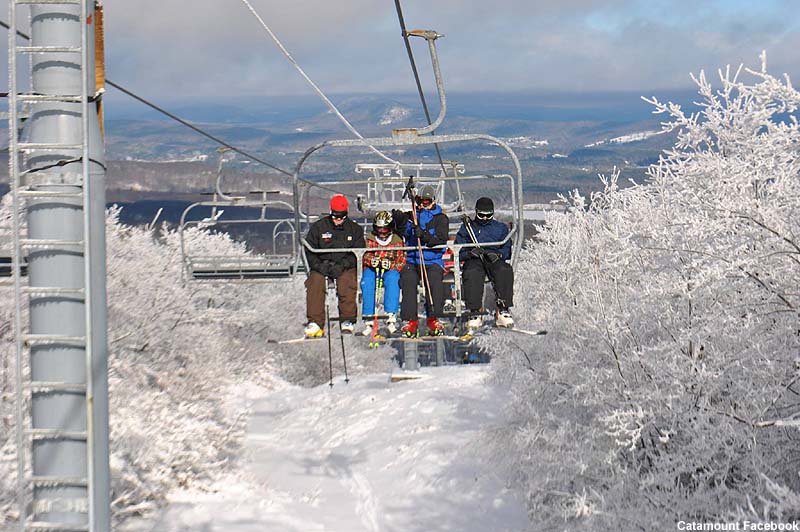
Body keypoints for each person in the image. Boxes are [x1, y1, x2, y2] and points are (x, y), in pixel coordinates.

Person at [303, 194, 365, 337]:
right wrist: (319, 265)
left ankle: (347, 319)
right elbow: (309, 249)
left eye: (341, 216)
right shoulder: (319, 227)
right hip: (322, 264)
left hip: (343, 265)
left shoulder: (354, 229)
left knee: (347, 281)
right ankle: (315, 322)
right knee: (314, 282)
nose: (338, 219)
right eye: (335, 216)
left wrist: (343, 264)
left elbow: (358, 252)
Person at [392, 184, 449, 337]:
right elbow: (402, 233)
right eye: (420, 202)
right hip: (412, 259)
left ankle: (433, 318)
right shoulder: (412, 216)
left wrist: (423, 235)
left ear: (433, 201)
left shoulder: (440, 218)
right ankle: (410, 320)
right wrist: (399, 221)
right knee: (408, 280)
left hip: (432, 260)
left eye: (427, 202)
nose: (423, 205)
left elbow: (440, 241)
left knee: (434, 281)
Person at [454, 197, 514, 330]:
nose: (485, 219)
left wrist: (499, 255)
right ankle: (474, 311)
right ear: (476, 212)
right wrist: (469, 254)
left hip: (493, 258)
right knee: (472, 273)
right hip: (474, 259)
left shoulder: (500, 228)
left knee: (504, 270)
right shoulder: (467, 228)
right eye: (481, 215)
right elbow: (458, 250)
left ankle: (503, 309)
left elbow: (507, 248)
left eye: (488, 215)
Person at [360, 210, 406, 336]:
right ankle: (368, 317)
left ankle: (390, 315)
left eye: (384, 230)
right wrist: (371, 260)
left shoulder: (396, 240)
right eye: (379, 230)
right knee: (367, 281)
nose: (382, 233)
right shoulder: (369, 239)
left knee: (393, 279)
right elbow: (363, 255)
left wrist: (391, 265)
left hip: (389, 268)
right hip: (372, 268)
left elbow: (401, 260)